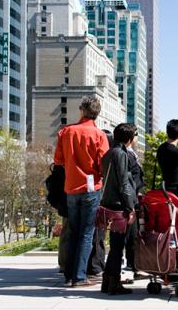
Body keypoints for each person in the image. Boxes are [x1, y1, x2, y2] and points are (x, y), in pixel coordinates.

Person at [53, 95, 109, 287]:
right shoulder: (100, 135)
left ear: (82, 110)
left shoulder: (66, 132)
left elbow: (58, 161)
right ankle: (79, 277)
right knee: (87, 233)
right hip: (91, 188)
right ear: (97, 113)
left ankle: (69, 275)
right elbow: (104, 165)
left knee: (73, 231)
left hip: (71, 187)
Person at [100, 123, 138, 295]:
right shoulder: (121, 154)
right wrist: (130, 208)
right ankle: (113, 284)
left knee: (115, 245)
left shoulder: (108, 153)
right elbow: (124, 183)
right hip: (119, 205)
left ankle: (107, 281)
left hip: (108, 202)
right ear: (129, 139)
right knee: (117, 246)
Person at [124, 129, 146, 280]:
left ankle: (135, 265)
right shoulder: (125, 153)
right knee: (131, 234)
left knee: (134, 233)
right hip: (130, 199)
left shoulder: (130, 152)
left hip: (134, 196)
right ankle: (134, 266)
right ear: (132, 138)